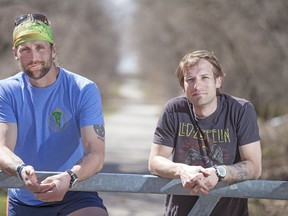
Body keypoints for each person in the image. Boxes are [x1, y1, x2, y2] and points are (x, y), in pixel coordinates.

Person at [0, 13, 108, 216]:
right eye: (25, 50)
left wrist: (69, 178)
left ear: (53, 49)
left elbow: (96, 153)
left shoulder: (83, 89)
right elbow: (2, 148)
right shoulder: (6, 90)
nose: (34, 58)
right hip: (25, 197)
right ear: (15, 53)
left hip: (75, 191)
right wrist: (21, 170)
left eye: (40, 47)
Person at [148, 50, 262, 216]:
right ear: (183, 86)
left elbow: (254, 167)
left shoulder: (240, 110)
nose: (197, 85)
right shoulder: (174, 110)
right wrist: (182, 170)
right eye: (190, 80)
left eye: (204, 77)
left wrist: (219, 173)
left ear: (218, 81)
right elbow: (155, 161)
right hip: (181, 212)